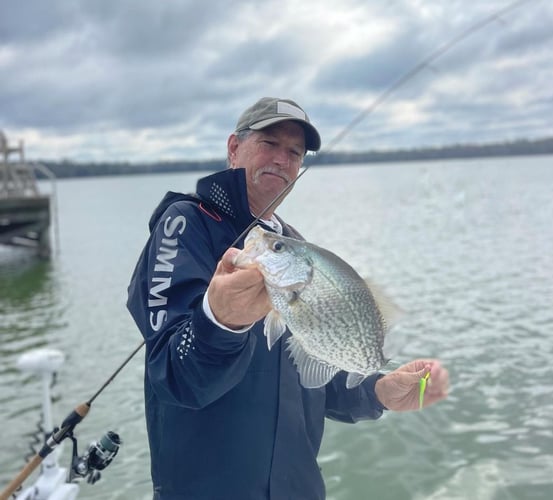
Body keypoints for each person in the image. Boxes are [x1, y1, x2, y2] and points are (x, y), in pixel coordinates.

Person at [127, 97, 449, 500]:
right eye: (269, 143)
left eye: (294, 152)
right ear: (233, 148)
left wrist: (377, 391)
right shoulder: (186, 225)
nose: (282, 159)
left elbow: (310, 376)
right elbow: (174, 377)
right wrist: (220, 323)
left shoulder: (294, 248)